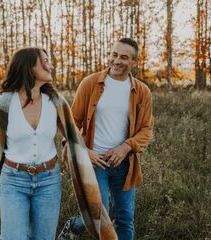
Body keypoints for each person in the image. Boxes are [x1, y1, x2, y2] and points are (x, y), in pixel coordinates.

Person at [0, 47, 117, 240]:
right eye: (45, 61)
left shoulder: (56, 102)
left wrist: (76, 149)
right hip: (14, 180)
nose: (51, 65)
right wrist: (4, 158)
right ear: (29, 67)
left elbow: (72, 135)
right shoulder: (3, 103)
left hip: (48, 180)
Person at [58, 38, 154, 240]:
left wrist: (126, 147)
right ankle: (74, 225)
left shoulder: (142, 92)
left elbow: (146, 129)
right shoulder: (90, 84)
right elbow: (72, 123)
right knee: (98, 215)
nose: (117, 61)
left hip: (124, 164)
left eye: (124, 57)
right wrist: (84, 152)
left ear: (134, 62)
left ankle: (76, 225)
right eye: (114, 55)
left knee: (125, 218)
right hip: (95, 161)